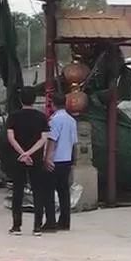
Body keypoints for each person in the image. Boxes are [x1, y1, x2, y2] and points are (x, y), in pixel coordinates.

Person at [5, 87, 50, 236]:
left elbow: (11, 137)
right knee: (38, 191)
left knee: (18, 191)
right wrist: (30, 153)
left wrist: (23, 153)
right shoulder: (41, 117)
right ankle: (37, 227)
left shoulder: (14, 116)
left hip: (18, 158)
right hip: (35, 158)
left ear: (20, 100)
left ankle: (16, 226)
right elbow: (43, 139)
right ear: (34, 99)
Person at [45, 93, 78, 231]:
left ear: (53, 104)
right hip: (66, 159)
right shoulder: (72, 120)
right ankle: (65, 222)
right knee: (64, 192)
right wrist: (74, 159)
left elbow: (52, 140)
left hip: (55, 160)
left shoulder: (54, 120)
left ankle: (50, 222)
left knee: (49, 192)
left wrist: (47, 158)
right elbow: (75, 143)